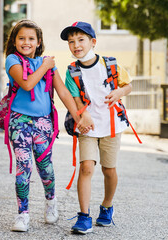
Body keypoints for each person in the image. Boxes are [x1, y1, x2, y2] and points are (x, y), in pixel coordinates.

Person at [4, 19, 84, 232]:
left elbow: (64, 92)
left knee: (45, 167)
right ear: (14, 41)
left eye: (31, 38)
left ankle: (51, 202)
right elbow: (27, 82)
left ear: (39, 42)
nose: (26, 42)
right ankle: (22, 214)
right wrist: (46, 65)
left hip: (43, 123)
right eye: (21, 38)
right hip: (19, 121)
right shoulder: (12, 60)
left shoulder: (47, 63)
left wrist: (78, 117)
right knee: (23, 168)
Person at [60, 21, 133, 234]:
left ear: (93, 42)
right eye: (71, 42)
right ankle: (84, 216)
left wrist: (119, 93)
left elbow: (128, 85)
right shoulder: (72, 71)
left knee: (109, 170)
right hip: (87, 126)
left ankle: (107, 206)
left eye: (80, 40)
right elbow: (76, 99)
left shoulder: (109, 65)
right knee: (86, 168)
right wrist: (84, 115)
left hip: (111, 125)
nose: (76, 45)